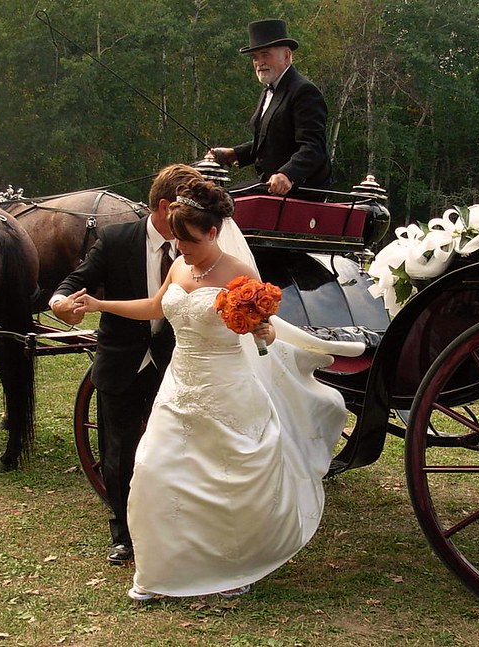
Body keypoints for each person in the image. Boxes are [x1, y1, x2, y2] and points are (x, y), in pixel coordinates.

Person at [71, 178, 359, 600]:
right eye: (176, 239)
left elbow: (264, 332)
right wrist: (100, 304)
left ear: (212, 232)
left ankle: (234, 565)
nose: (181, 248)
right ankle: (159, 571)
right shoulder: (179, 266)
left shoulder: (240, 274)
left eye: (189, 240)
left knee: (227, 479)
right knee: (153, 467)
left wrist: (261, 329)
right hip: (179, 383)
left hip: (226, 387)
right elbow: (155, 306)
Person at [49, 163, 203, 566]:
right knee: (117, 450)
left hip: (176, 363)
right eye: (184, 211)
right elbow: (74, 281)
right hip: (122, 362)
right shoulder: (117, 240)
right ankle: (124, 533)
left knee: (173, 446)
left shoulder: (196, 250)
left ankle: (173, 522)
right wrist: (61, 303)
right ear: (164, 206)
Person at [211, 18, 332, 196]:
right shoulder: (270, 89)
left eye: (265, 54)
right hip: (268, 184)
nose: (259, 62)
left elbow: (313, 147)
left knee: (219, 202)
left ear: (286, 56)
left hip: (298, 190)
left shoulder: (304, 91)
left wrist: (287, 174)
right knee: (212, 196)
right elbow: (271, 141)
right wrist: (234, 153)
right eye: (255, 57)